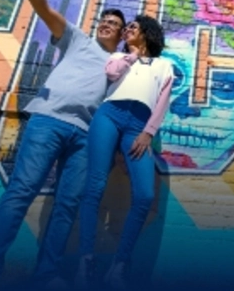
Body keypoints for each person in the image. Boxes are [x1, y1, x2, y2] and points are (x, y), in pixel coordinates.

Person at [0, 0, 126, 290]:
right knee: (20, 192)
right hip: (48, 122)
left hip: (86, 137)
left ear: (121, 34)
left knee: (67, 205)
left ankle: (47, 274)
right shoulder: (76, 39)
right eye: (103, 19)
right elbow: (40, 4)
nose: (106, 24)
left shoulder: (122, 65)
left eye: (113, 22)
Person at [75, 15, 174, 290]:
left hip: (139, 125)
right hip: (109, 115)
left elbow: (162, 103)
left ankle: (119, 264)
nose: (127, 29)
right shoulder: (119, 56)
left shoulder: (165, 66)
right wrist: (131, 55)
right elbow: (112, 74)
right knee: (94, 186)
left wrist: (148, 132)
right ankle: (86, 259)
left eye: (133, 27)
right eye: (126, 27)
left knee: (144, 195)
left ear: (148, 33)